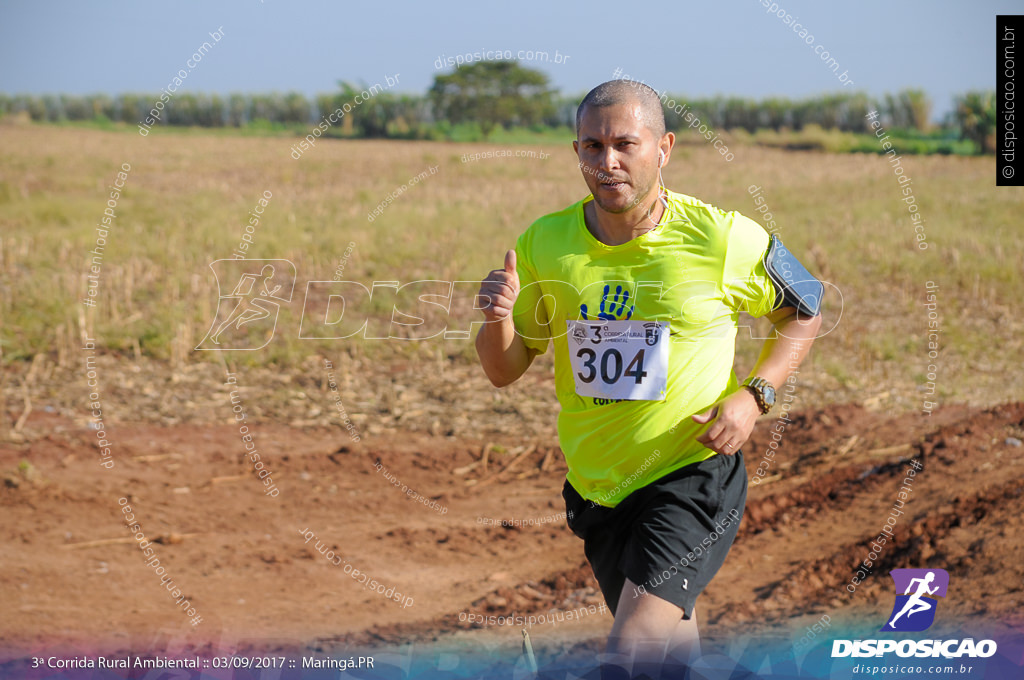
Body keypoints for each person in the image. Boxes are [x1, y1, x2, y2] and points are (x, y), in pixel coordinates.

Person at [474, 79, 823, 675]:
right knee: (669, 655)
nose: (607, 163)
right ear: (576, 150)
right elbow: (505, 369)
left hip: (691, 476)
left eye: (624, 145)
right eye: (591, 147)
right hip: (598, 487)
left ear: (663, 148)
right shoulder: (545, 242)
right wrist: (498, 319)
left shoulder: (720, 236)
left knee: (630, 650)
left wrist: (755, 394)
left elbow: (805, 303)